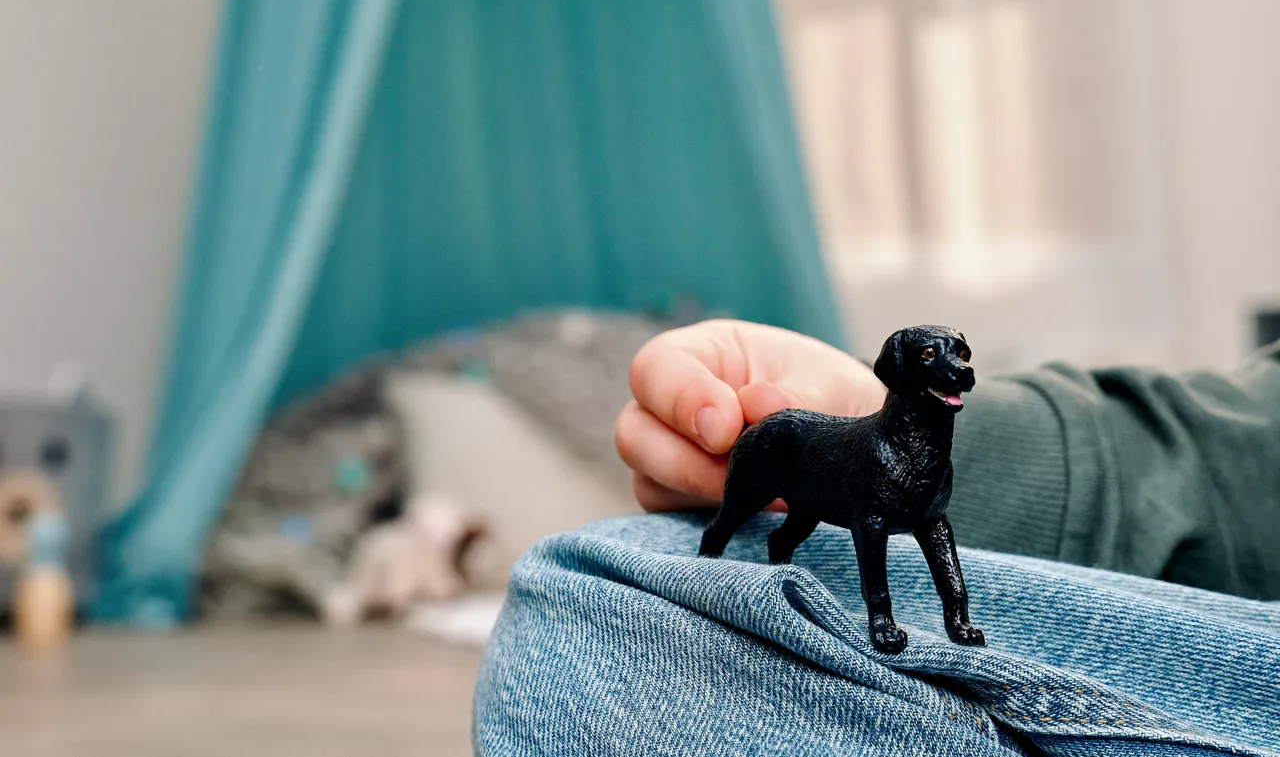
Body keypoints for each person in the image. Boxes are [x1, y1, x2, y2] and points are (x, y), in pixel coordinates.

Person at [474, 320, 1280, 755]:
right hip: (819, 454)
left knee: (575, 620)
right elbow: (1239, 446)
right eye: (937, 356)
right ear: (903, 369)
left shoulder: (929, 442)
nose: (957, 367)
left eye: (960, 355)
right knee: (601, 572)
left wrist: (952, 612)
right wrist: (997, 450)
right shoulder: (834, 432)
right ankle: (725, 567)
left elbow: (930, 525)